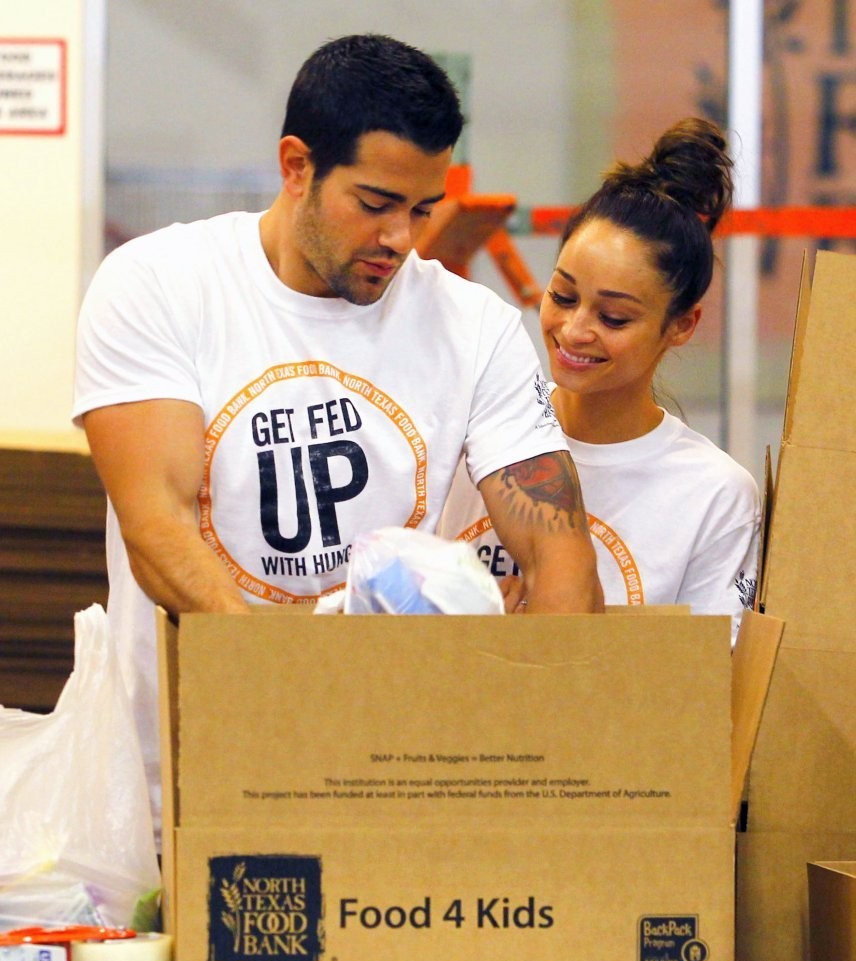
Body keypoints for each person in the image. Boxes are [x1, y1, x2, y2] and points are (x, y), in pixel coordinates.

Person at [72, 33, 603, 839]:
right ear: (296, 166)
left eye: (424, 210)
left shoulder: (476, 329)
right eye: (376, 203)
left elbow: (558, 560)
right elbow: (158, 531)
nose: (402, 239)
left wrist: (517, 750)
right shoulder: (159, 286)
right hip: (171, 787)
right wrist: (303, 697)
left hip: (386, 790)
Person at [441, 117, 759, 643]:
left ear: (681, 325)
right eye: (562, 296)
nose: (574, 330)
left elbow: (706, 689)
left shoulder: (713, 495)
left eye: (614, 318)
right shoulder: (481, 429)